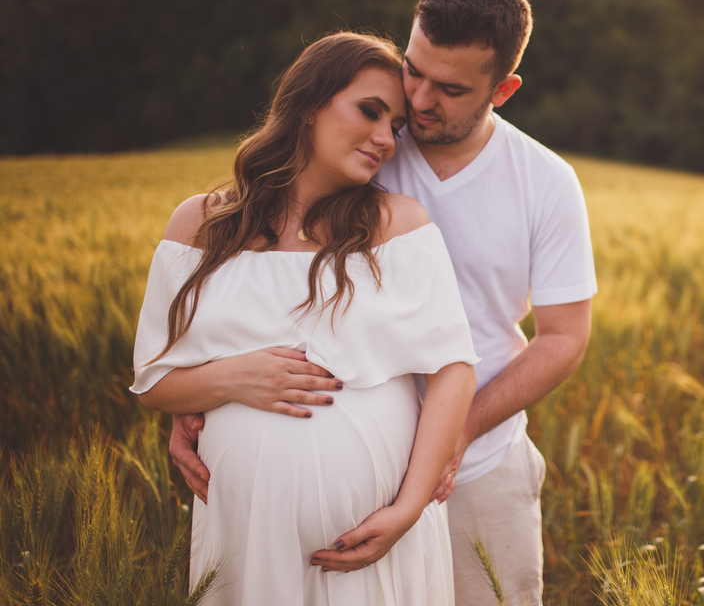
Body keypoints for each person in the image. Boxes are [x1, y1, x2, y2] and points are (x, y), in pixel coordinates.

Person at [170, 0, 598, 605]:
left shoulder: (546, 182)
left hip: (478, 472)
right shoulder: (364, 141)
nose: (419, 99)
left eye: (450, 89)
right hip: (349, 474)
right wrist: (202, 395)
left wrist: (462, 428)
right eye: (414, 69)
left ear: (502, 90)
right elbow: (261, 266)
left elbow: (563, 337)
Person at [133, 32, 479, 606]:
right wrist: (231, 379)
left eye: (394, 127)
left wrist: (408, 508)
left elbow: (453, 369)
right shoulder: (199, 224)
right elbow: (153, 379)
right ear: (309, 103)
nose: (383, 140)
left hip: (379, 531)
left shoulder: (398, 224)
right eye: (369, 111)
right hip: (247, 535)